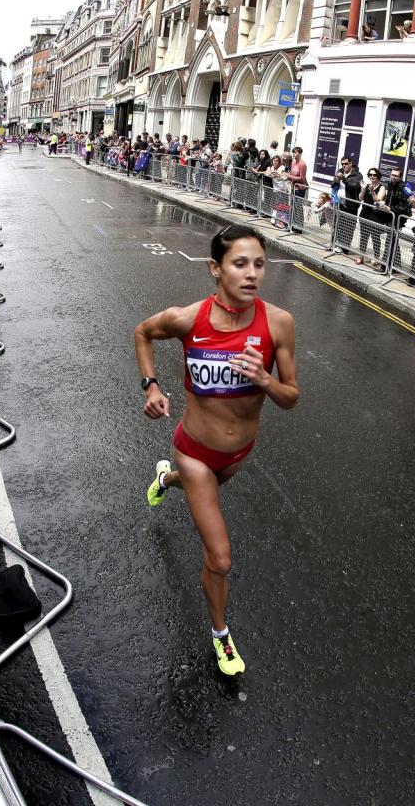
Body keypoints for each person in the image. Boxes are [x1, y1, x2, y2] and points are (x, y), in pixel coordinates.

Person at [134, 225, 299, 676]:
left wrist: (266, 381)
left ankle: (166, 478)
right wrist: (151, 385)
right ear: (215, 268)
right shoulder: (190, 319)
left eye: (259, 264)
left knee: (188, 487)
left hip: (239, 454)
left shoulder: (278, 323)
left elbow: (291, 397)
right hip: (195, 450)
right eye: (240, 264)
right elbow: (143, 333)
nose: (252, 275)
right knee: (220, 557)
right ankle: (221, 635)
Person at [358, 167, 390, 268]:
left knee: (375, 237)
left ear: (378, 176)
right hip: (365, 214)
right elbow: (360, 198)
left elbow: (378, 200)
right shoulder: (366, 185)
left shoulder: (382, 187)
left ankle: (376, 257)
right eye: (370, 175)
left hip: (375, 216)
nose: (372, 177)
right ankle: (361, 256)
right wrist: (363, 189)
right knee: (363, 237)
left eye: (374, 175)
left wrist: (372, 191)